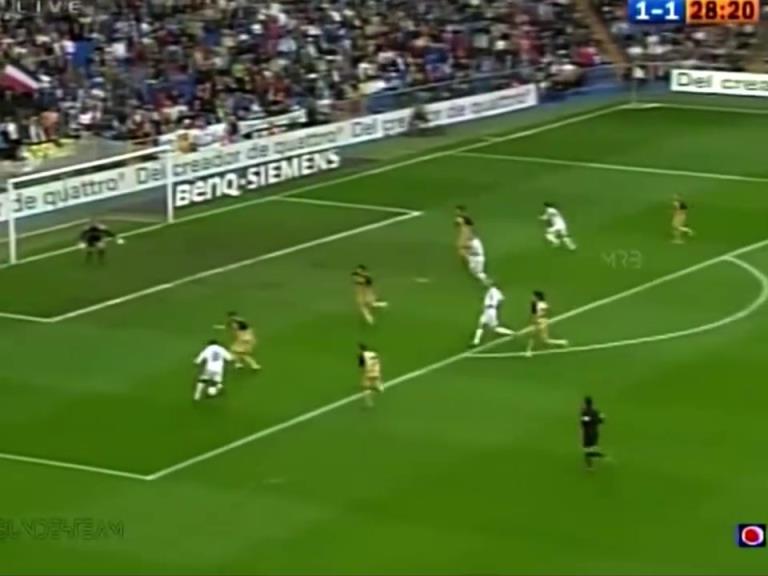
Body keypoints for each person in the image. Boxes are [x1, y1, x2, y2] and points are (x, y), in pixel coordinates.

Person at [525, 290, 569, 356]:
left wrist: (539, 318)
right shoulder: (533, 304)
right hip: (537, 321)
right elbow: (533, 314)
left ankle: (562, 342)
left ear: (537, 297)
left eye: (533, 296)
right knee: (533, 336)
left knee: (544, 339)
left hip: (542, 322)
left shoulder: (542, 304)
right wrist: (533, 320)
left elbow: (546, 312)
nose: (532, 297)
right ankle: (528, 351)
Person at [471, 281, 515, 346]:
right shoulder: (497, 292)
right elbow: (501, 300)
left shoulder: (491, 290)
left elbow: (489, 299)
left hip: (489, 311)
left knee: (491, 327)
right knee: (482, 325)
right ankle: (476, 341)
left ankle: (512, 333)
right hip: (491, 310)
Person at [581, 396, 607, 469]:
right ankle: (591, 465)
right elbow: (602, 420)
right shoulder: (596, 411)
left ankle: (599, 458)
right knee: (590, 449)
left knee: (587, 451)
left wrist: (585, 417)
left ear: (586, 403)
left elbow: (584, 422)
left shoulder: (585, 412)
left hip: (588, 433)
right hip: (595, 432)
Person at [358, 343, 383, 408]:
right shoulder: (373, 353)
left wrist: (363, 375)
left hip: (368, 373)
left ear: (360, 349)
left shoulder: (362, 355)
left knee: (366, 388)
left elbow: (362, 367)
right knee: (376, 384)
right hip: (376, 372)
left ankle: (369, 402)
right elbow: (378, 361)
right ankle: (379, 386)